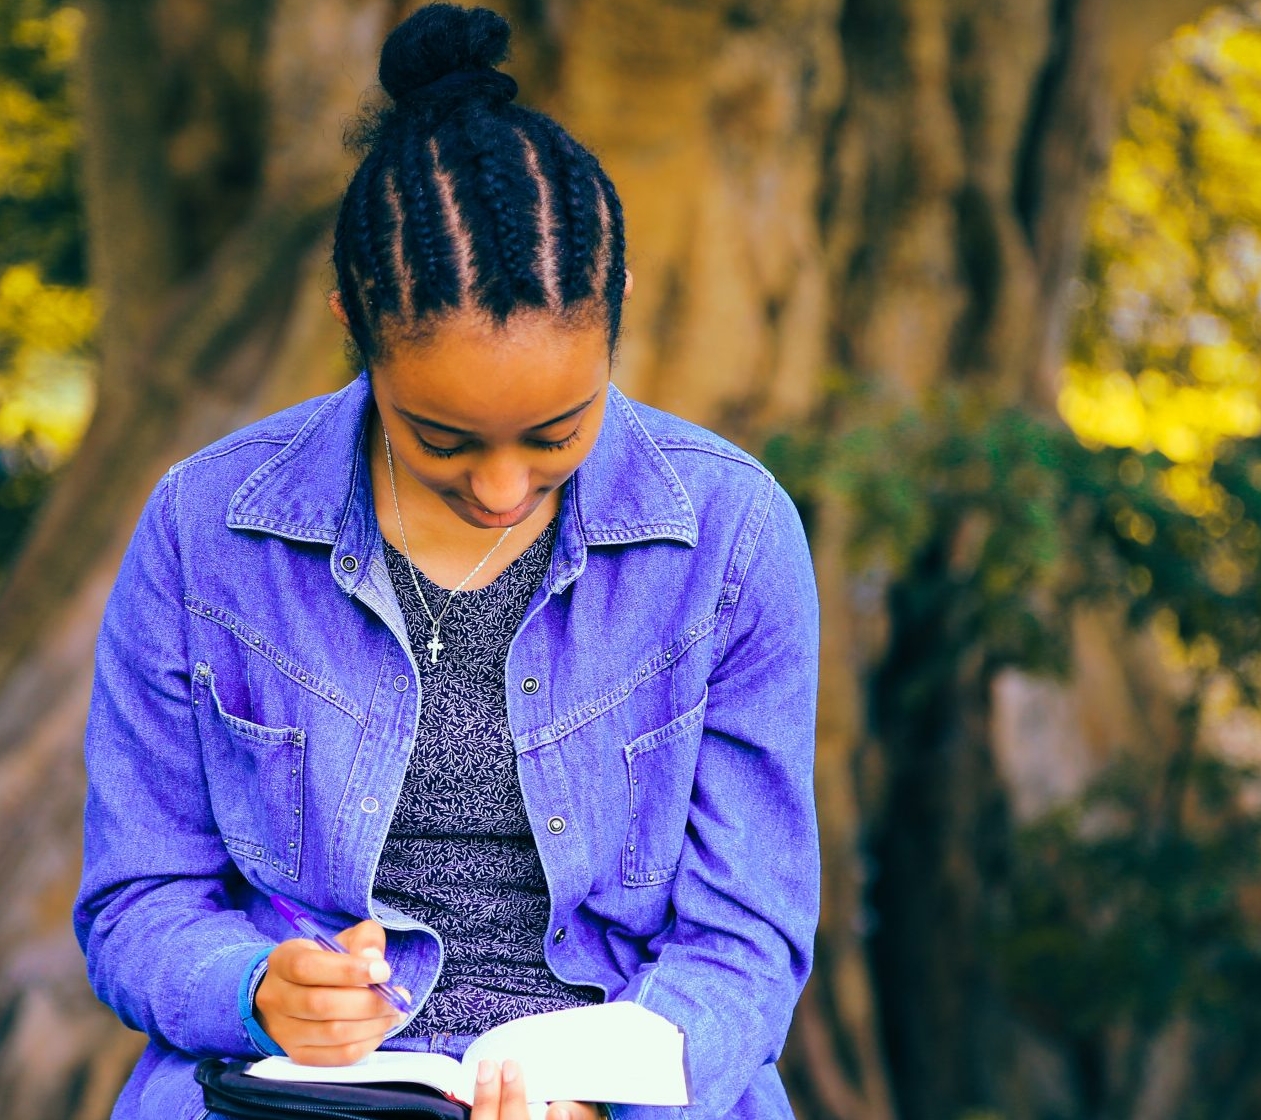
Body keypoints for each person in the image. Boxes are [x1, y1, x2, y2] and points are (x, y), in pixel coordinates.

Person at [72, 4, 821, 1118]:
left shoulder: (731, 535)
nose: (503, 489)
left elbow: (746, 937)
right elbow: (140, 896)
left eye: (556, 435)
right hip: (298, 1097)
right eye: (444, 441)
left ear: (614, 326)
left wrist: (607, 1095)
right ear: (356, 330)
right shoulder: (206, 528)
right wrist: (253, 989)